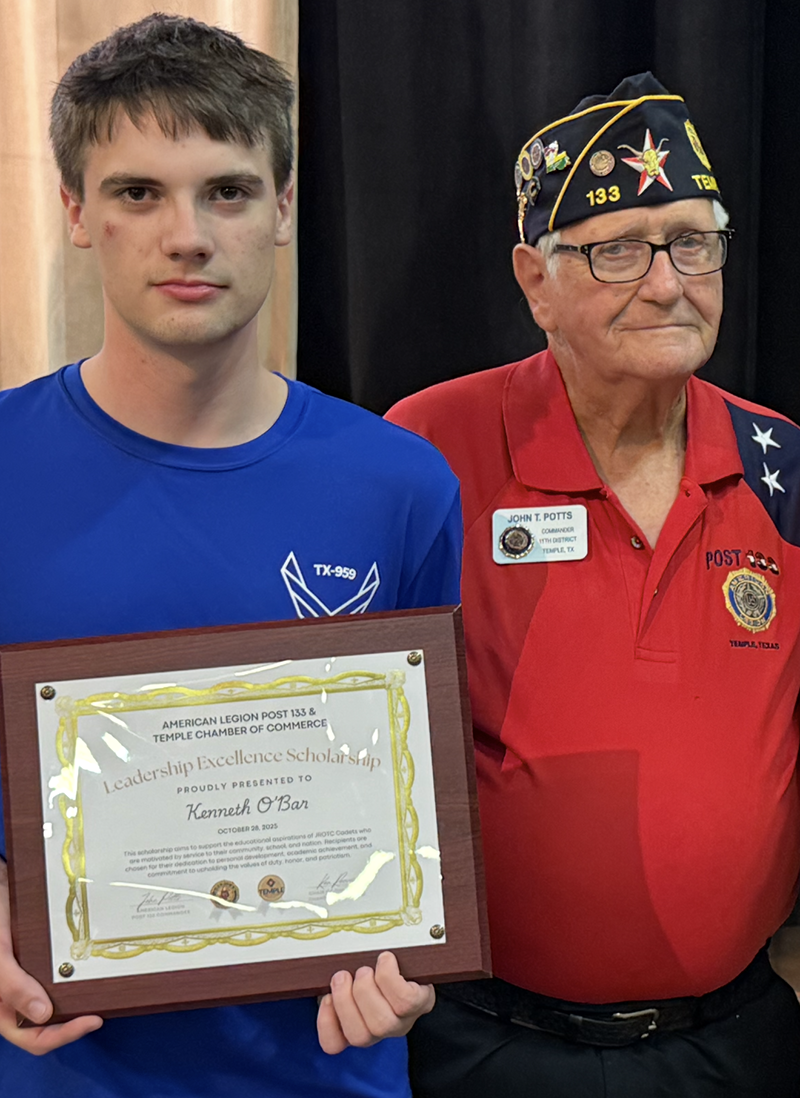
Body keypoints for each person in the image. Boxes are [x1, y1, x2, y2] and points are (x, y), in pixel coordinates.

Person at [0, 14, 460, 1097]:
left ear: (284, 207)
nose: (188, 235)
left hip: (325, 1072)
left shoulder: (401, 483)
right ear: (75, 211)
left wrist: (414, 954)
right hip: (64, 1071)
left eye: (227, 190)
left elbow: (426, 804)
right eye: (137, 192)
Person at [386, 72, 800, 1097]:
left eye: (693, 241)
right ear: (534, 280)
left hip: (738, 1043)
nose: (665, 283)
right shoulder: (426, 447)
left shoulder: (777, 463)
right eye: (616, 248)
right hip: (488, 1045)